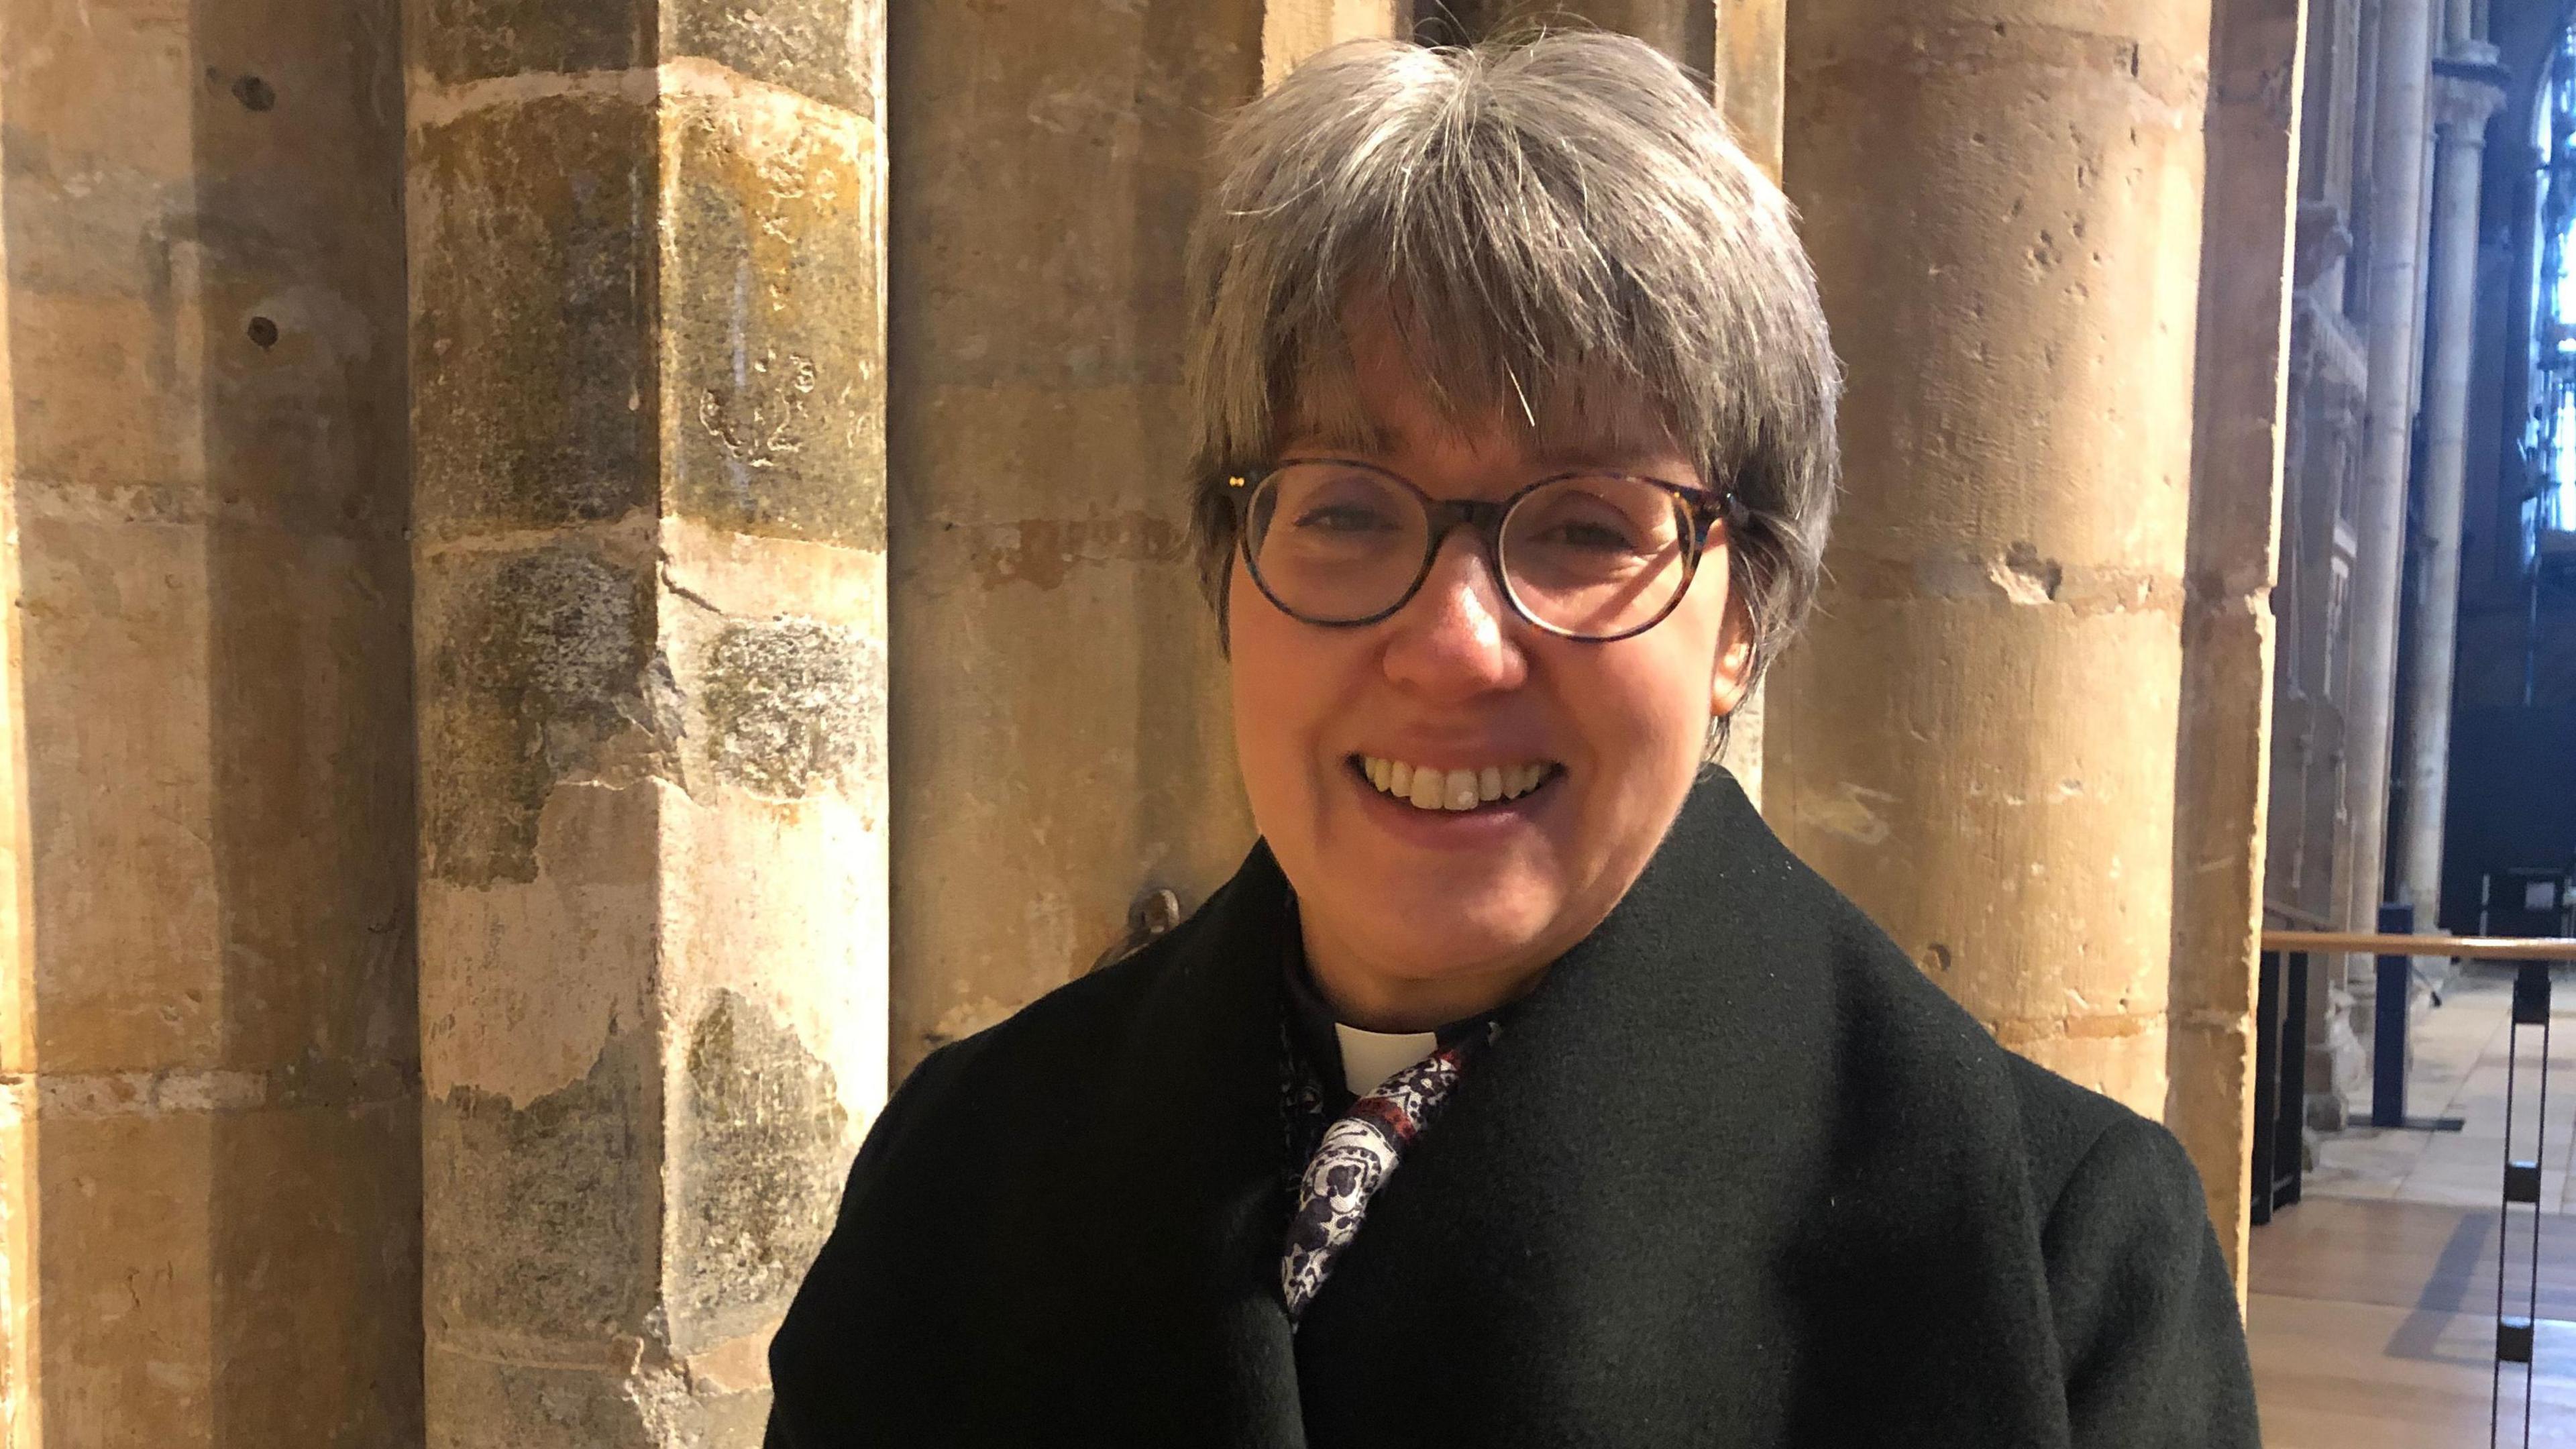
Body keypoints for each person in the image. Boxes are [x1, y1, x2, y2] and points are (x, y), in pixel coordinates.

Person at [767, 31, 2259, 1448]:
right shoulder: (964, 1174)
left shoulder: (2058, 1267)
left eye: (1590, 525)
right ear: (1228, 566)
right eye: (1347, 506)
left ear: (1745, 613)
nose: (1455, 643)